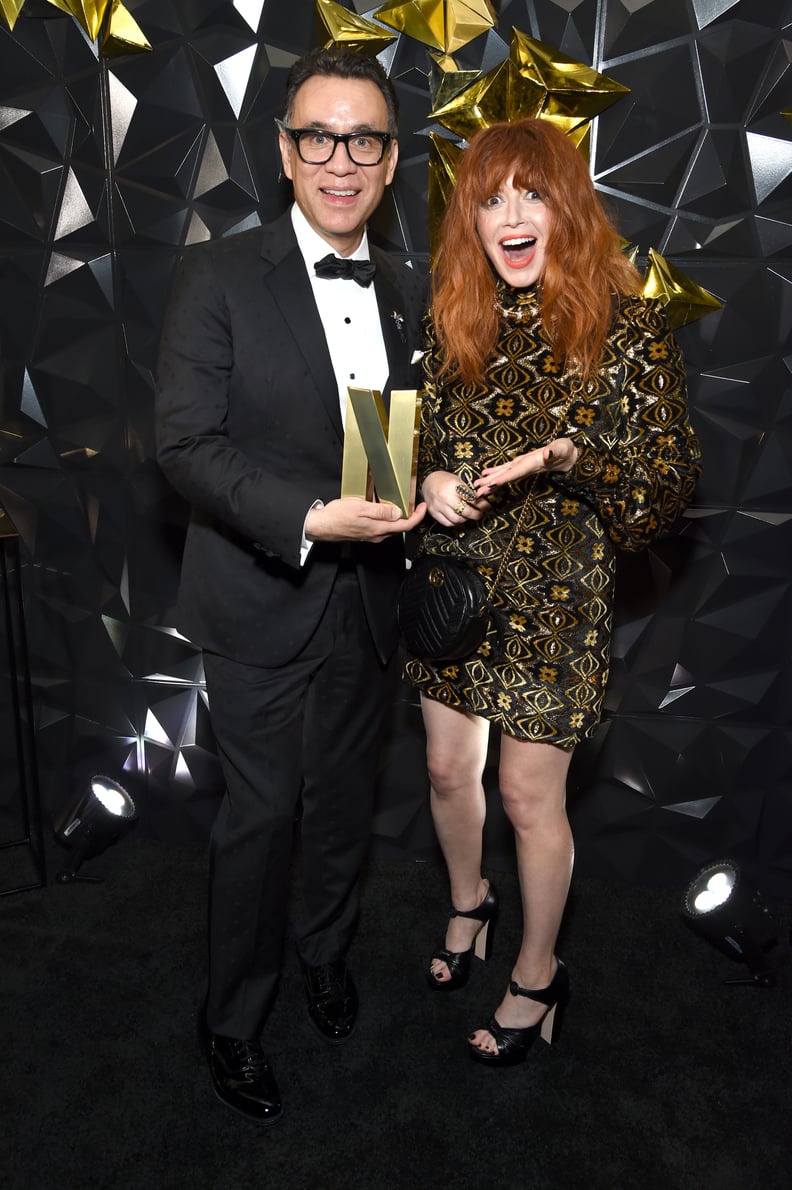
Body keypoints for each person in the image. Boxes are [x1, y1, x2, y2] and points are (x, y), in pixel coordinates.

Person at [156, 47, 426, 1123]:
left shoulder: (405, 287)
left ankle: (323, 953)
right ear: (283, 151)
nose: (341, 160)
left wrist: (419, 486)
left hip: (369, 602)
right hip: (260, 597)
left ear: (393, 158)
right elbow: (181, 444)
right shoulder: (216, 278)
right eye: (319, 136)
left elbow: (388, 441)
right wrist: (307, 518)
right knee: (261, 820)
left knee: (346, 806)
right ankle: (233, 1016)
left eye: (364, 138)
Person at [404, 118, 701, 1066]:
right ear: (471, 222)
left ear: (566, 204)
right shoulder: (453, 310)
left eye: (531, 193)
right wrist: (430, 483)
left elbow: (666, 487)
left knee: (530, 799)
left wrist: (574, 458)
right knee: (450, 773)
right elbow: (422, 442)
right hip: (455, 583)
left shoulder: (629, 321)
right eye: (490, 200)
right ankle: (468, 903)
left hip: (559, 598)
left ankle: (537, 975)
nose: (512, 216)